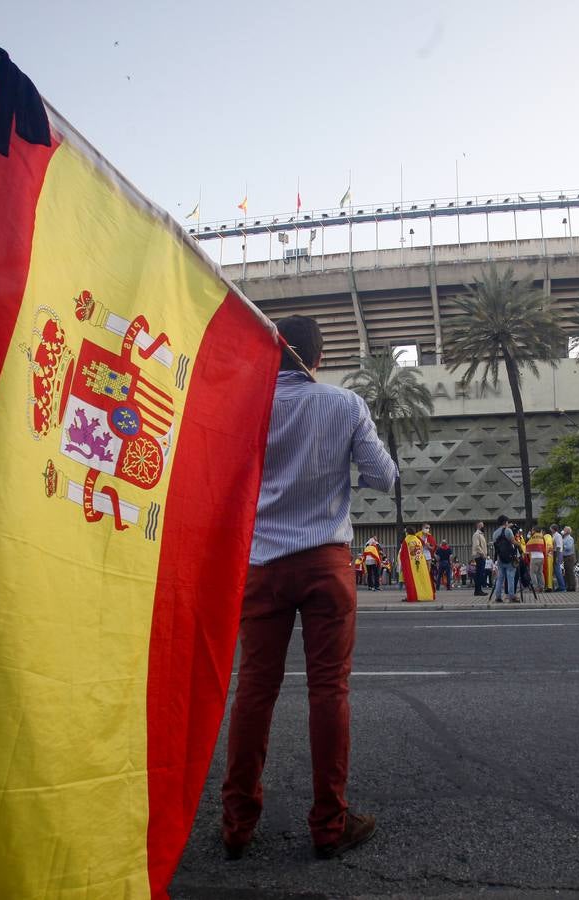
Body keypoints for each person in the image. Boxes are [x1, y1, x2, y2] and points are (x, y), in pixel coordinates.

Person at [221, 315, 397, 861]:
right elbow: (384, 476)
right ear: (317, 358)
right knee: (328, 689)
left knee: (254, 690)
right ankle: (329, 823)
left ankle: (236, 824)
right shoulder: (344, 405)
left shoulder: (245, 408)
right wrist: (342, 474)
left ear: (274, 353)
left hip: (263, 564)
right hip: (325, 563)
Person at [400, 525, 436, 602]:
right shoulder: (417, 539)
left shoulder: (407, 540)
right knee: (422, 580)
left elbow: (403, 554)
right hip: (421, 563)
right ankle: (423, 595)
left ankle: (413, 596)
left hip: (412, 565)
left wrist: (402, 565)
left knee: (411, 580)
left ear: (407, 532)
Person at [492, 515, 519, 602]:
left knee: (500, 578)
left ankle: (498, 596)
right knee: (510, 577)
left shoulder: (495, 533)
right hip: (509, 558)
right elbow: (513, 542)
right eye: (507, 522)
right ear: (505, 522)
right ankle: (511, 596)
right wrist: (519, 544)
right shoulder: (508, 531)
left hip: (500, 558)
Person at [526, 527, 546, 591]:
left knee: (532, 573)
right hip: (541, 557)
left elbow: (527, 545)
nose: (531, 531)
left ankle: (535, 587)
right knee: (540, 573)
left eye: (532, 530)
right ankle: (542, 587)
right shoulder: (542, 537)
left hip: (535, 557)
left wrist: (528, 537)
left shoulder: (533, 537)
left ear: (534, 531)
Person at [471, 521, 487, 596]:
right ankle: (478, 591)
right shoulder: (476, 535)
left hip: (481, 556)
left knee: (480, 574)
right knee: (479, 574)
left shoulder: (481, 534)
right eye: (482, 525)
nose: (483, 527)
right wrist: (483, 554)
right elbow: (477, 546)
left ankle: (478, 590)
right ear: (478, 526)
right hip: (479, 556)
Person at [550, 524, 567, 591]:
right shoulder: (554, 535)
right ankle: (560, 586)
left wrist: (557, 557)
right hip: (556, 553)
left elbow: (558, 546)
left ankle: (562, 586)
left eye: (551, 528)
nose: (550, 529)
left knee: (557, 570)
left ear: (553, 529)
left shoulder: (557, 535)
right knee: (556, 570)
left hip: (557, 553)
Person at [561, 526, 576, 591]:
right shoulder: (564, 538)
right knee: (567, 572)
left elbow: (569, 547)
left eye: (564, 530)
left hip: (569, 556)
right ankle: (569, 585)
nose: (563, 531)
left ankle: (572, 586)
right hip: (566, 556)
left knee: (570, 571)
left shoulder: (570, 538)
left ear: (567, 531)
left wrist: (562, 545)